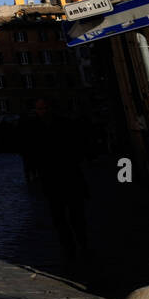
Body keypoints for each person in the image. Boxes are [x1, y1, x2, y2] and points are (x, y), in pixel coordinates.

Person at [28, 98, 91, 263]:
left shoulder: (66, 124)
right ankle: (69, 248)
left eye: (45, 108)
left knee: (76, 216)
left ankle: (83, 245)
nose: (42, 112)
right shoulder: (35, 128)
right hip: (51, 181)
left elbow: (79, 148)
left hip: (70, 178)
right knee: (59, 218)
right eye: (39, 109)